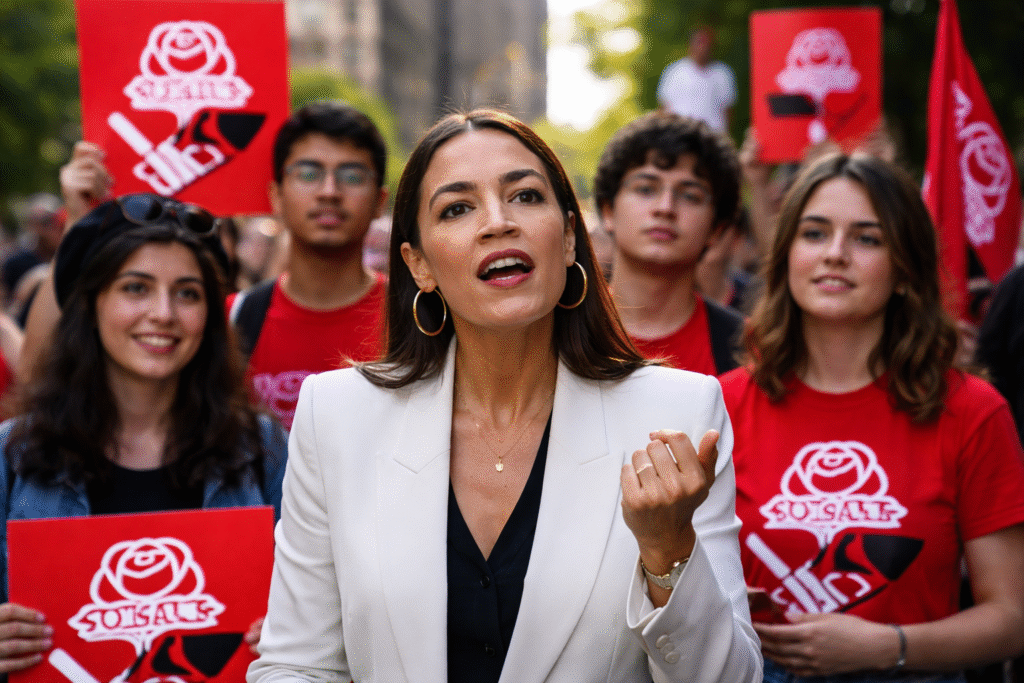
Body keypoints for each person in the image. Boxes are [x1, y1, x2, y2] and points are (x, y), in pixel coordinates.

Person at [248, 109, 761, 682]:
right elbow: (296, 664)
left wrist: (670, 557)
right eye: (457, 208)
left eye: (524, 197)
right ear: (418, 265)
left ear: (570, 238)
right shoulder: (336, 415)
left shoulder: (679, 413)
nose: (497, 223)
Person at [719, 153, 1024, 681]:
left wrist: (888, 646)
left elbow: (1011, 618)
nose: (835, 255)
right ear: (786, 253)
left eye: (867, 239)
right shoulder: (720, 403)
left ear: (905, 269)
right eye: (814, 234)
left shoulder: (973, 411)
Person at [0, 195, 288, 673]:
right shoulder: (13, 453)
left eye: (188, 293)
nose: (163, 313)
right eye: (136, 288)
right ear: (92, 304)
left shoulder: (261, 446)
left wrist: (291, 632)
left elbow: (318, 607)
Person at [227, 101, 389, 429]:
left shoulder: (419, 318)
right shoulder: (230, 320)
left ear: (379, 201)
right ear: (276, 196)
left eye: (352, 175)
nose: (329, 192)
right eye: (308, 174)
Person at [594, 110, 744, 374]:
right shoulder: (550, 336)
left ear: (716, 230)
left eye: (690, 196)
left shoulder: (749, 353)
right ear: (608, 211)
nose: (665, 208)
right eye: (645, 189)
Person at [657, 26, 736, 134]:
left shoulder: (723, 73)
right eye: (699, 42)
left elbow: (728, 110)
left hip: (712, 138)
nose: (703, 47)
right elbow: (663, 108)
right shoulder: (674, 72)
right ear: (690, 45)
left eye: (706, 43)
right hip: (679, 137)